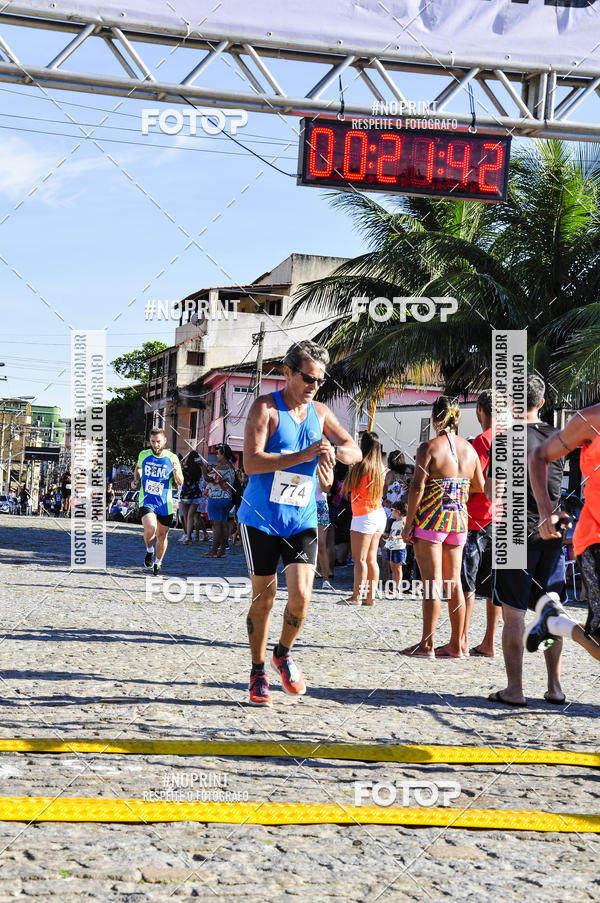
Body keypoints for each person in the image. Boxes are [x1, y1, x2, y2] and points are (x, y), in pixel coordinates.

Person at [238, 340, 361, 706]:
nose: (313, 385)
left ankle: (283, 653)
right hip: (261, 520)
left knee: (303, 595)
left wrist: (334, 453)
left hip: (301, 518)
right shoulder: (265, 408)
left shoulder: (320, 413)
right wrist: (303, 455)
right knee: (265, 598)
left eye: (320, 380)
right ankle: (258, 670)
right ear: (288, 373)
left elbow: (354, 450)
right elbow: (251, 462)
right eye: (308, 377)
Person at [487, 374, 566, 706]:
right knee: (551, 612)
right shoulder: (560, 437)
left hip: (514, 533)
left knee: (514, 615)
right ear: (542, 402)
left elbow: (493, 492)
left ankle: (515, 689)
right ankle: (555, 686)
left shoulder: (506, 439)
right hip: (552, 532)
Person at [400, 397, 484, 658]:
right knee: (455, 583)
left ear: (434, 418)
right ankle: (457, 644)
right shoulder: (469, 449)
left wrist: (408, 522)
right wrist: (457, 489)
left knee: (432, 584)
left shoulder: (428, 447)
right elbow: (479, 485)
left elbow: (417, 487)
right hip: (458, 520)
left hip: (431, 520)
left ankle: (427, 644)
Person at [526, 398, 600, 663]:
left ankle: (554, 621)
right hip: (595, 540)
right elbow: (539, 456)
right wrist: (546, 512)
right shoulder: (590, 419)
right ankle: (555, 622)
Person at [460, 390, 502, 658]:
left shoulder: (483, 440)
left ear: (479, 409)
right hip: (503, 521)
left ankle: (461, 639)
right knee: (495, 587)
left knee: (468, 583)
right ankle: (489, 642)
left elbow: (474, 481)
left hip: (477, 519)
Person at [338, 431, 387, 607]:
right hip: (378, 513)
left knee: (359, 559)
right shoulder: (381, 467)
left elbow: (346, 489)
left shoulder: (361, 465)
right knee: (371, 559)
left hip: (363, 515)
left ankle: (356, 597)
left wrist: (351, 469)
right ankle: (370, 597)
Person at [132, 427, 184, 576]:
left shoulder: (172, 458)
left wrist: (175, 472)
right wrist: (136, 479)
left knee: (162, 536)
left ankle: (158, 563)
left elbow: (180, 481)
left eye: (158, 442)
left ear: (165, 441)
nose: (155, 445)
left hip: (165, 503)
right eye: (153, 441)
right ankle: (149, 550)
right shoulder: (144, 454)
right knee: (150, 529)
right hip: (147, 499)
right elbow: (138, 468)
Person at [202, 444, 237, 558]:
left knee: (216, 526)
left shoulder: (221, 467)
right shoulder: (230, 466)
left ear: (223, 454)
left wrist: (202, 467)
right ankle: (222, 551)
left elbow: (208, 478)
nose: (217, 455)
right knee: (224, 525)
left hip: (216, 498)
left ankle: (213, 551)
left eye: (218, 453)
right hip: (227, 498)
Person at [316, 463, 335, 590]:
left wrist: (319, 470)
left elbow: (327, 488)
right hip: (304, 505)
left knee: (321, 544)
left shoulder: (327, 468)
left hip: (320, 505)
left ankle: (326, 579)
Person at [384, 501, 408, 596]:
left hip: (400, 547)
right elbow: (392, 533)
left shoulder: (404, 521)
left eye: (392, 510)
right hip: (392, 547)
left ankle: (397, 587)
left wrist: (396, 537)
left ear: (398, 511)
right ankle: (394, 586)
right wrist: (387, 536)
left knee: (398, 567)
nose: (391, 512)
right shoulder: (394, 522)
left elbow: (406, 534)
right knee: (393, 567)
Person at [179, 452, 201, 544]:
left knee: (186, 516)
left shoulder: (185, 469)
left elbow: (180, 480)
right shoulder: (198, 469)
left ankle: (188, 536)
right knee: (191, 516)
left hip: (186, 494)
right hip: (196, 494)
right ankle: (189, 537)